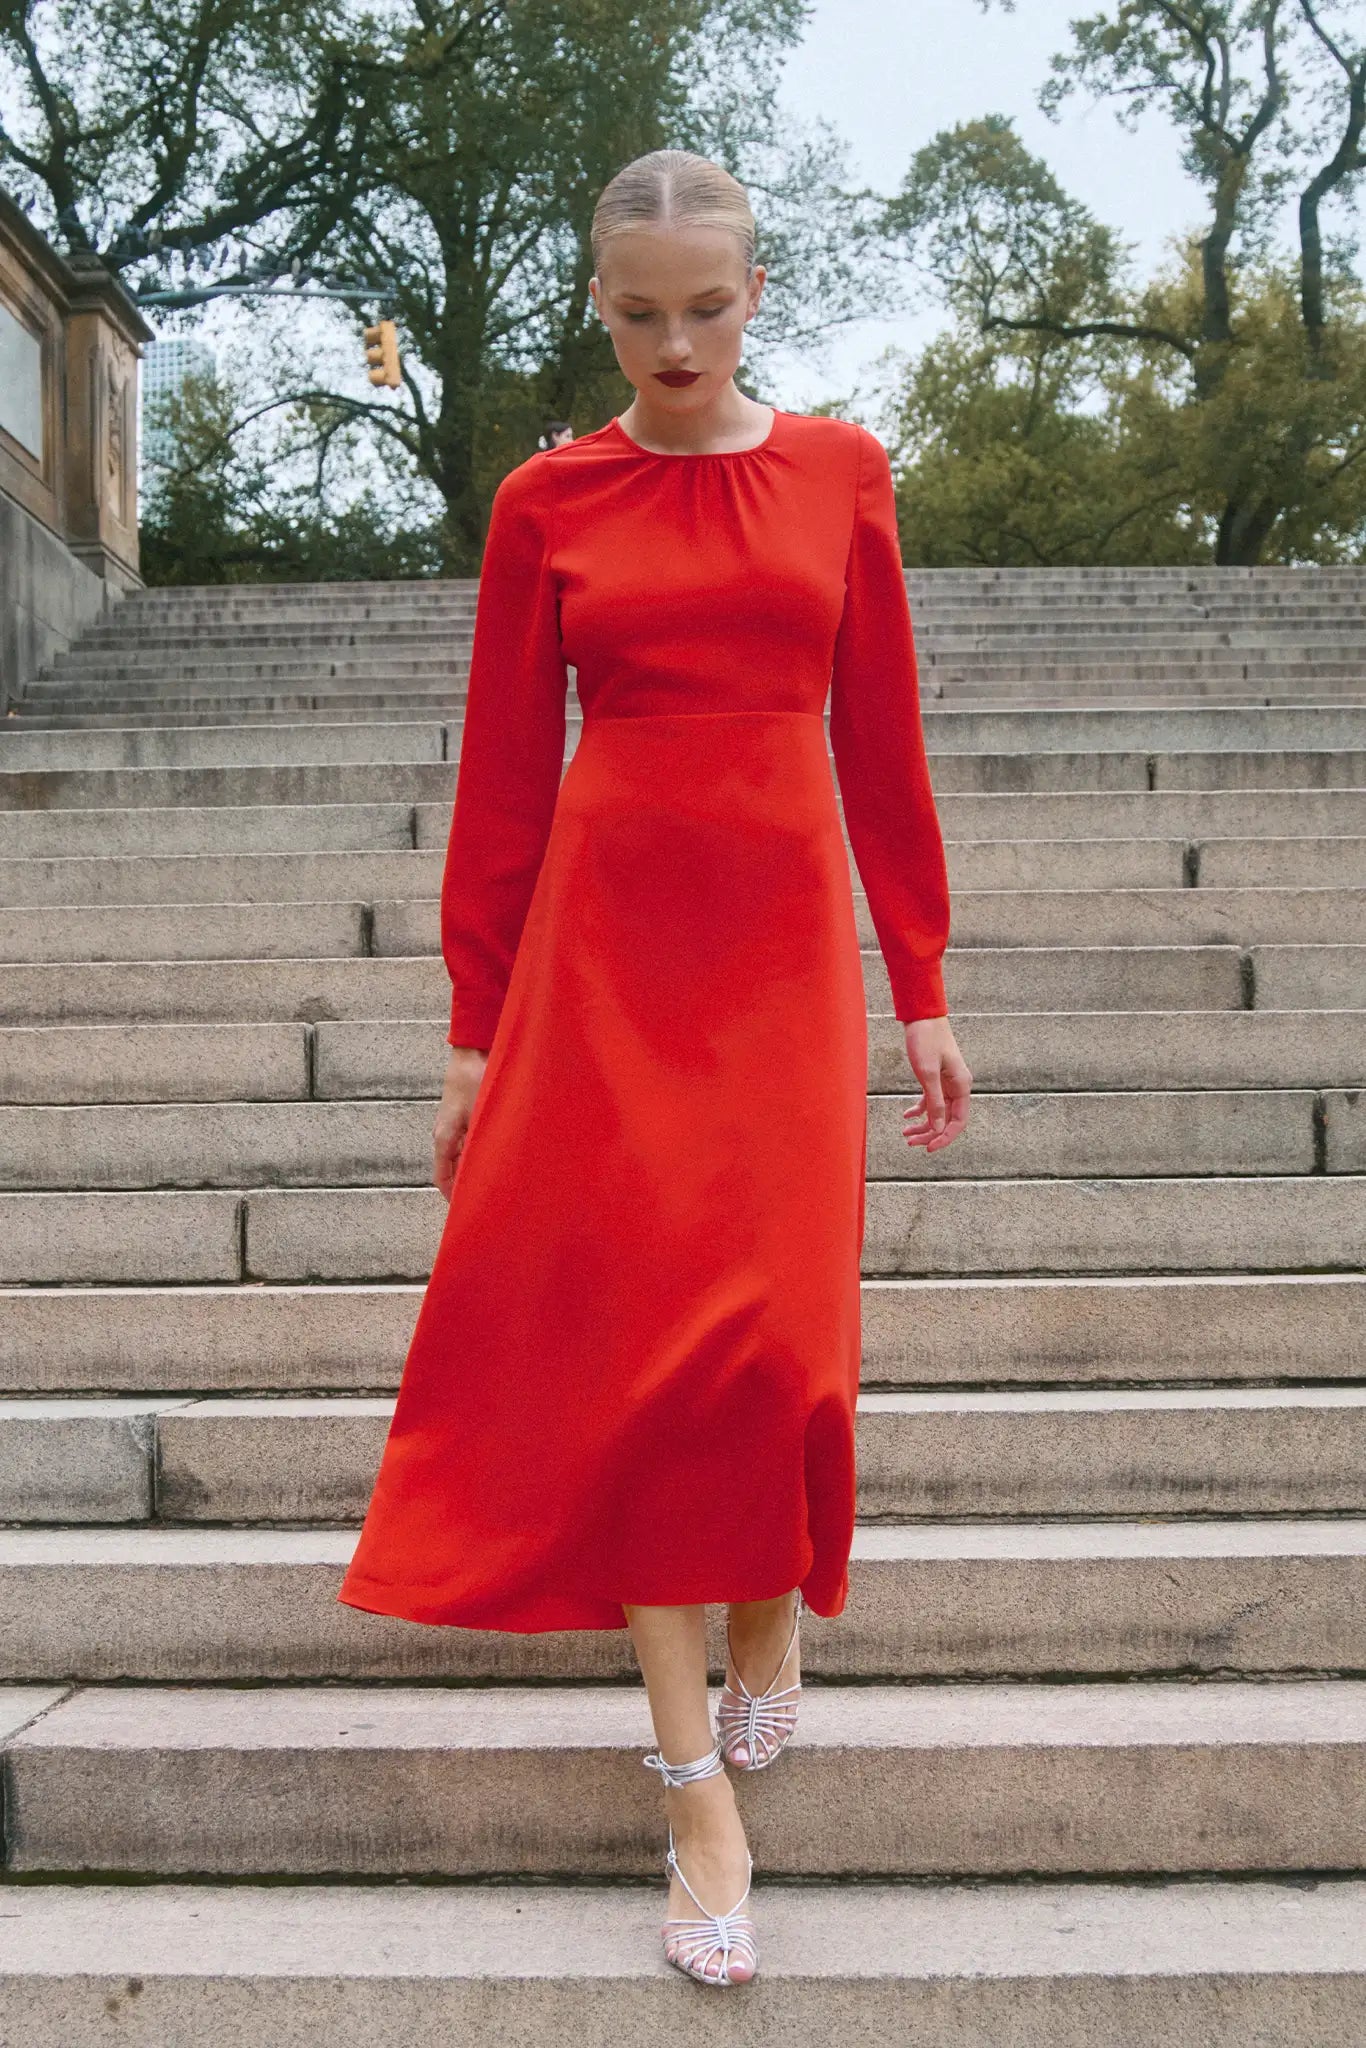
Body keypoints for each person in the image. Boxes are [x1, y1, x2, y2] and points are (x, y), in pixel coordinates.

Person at [338, 146, 972, 1989]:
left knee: (778, 1349)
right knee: (640, 1367)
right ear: (598, 306)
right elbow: (498, 773)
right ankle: (694, 1793)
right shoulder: (548, 499)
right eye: (637, 315)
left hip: (780, 960)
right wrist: (474, 1026)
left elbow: (881, 742)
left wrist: (921, 980)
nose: (674, 346)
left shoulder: (842, 473)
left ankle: (770, 1608)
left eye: (704, 308)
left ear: (755, 292)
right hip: (606, 960)